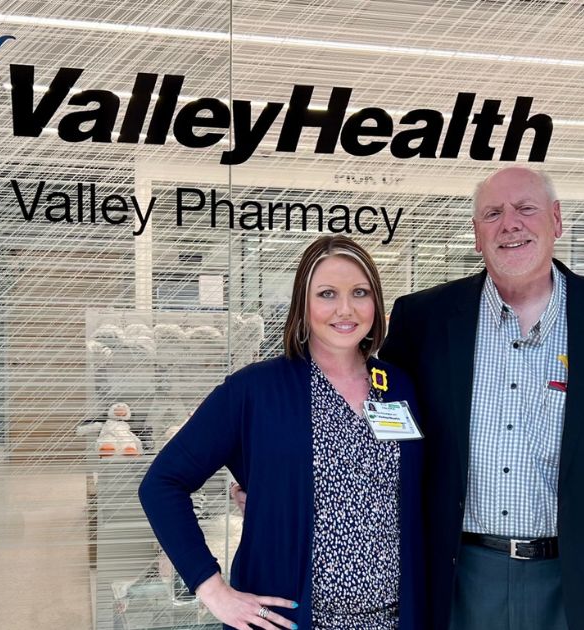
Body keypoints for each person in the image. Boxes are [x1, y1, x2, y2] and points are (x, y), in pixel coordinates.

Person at [380, 166, 584, 630]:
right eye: (493, 214)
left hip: (583, 586)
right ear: (477, 234)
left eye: (526, 209)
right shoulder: (422, 321)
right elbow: (385, 443)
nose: (510, 224)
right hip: (459, 581)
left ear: (556, 220)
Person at [138, 235, 425, 630]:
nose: (345, 309)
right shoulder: (255, 390)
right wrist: (212, 589)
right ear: (302, 306)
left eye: (359, 292)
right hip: (290, 620)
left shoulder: (398, 387)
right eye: (327, 294)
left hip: (391, 619)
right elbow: (162, 483)